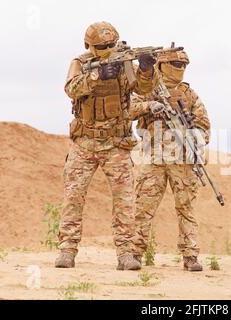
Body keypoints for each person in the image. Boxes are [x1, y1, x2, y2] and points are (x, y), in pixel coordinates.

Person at [55, 21, 159, 270]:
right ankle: (67, 250)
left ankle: (126, 253)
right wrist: (97, 75)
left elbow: (144, 89)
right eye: (102, 46)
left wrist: (146, 69)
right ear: (89, 45)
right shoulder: (80, 63)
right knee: (73, 197)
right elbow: (71, 89)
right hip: (85, 142)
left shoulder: (125, 63)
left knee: (125, 200)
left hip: (116, 143)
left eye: (111, 45)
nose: (107, 49)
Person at [132, 49, 211, 271]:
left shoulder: (189, 95)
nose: (180, 68)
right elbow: (128, 109)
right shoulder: (147, 89)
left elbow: (204, 126)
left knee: (186, 207)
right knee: (143, 206)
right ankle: (135, 253)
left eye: (183, 64)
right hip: (154, 156)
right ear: (162, 65)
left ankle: (190, 255)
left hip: (182, 159)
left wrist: (193, 135)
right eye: (176, 63)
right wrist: (149, 106)